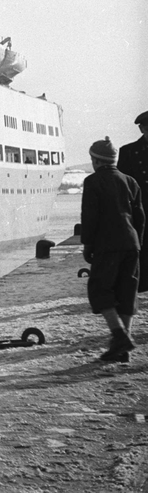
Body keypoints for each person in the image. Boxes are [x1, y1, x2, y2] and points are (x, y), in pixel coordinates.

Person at [81, 136, 145, 363]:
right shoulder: (131, 181)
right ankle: (123, 349)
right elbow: (140, 217)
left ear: (97, 160)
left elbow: (90, 217)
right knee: (127, 292)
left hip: (107, 245)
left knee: (100, 289)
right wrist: (138, 243)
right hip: (132, 243)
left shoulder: (93, 182)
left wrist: (88, 244)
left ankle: (119, 336)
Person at [117, 111, 148, 292]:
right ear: (142, 129)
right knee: (141, 246)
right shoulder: (128, 152)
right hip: (140, 207)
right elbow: (124, 185)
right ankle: (141, 283)